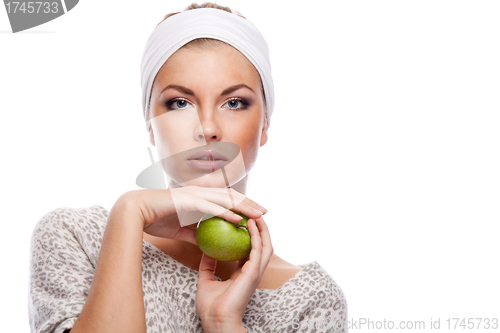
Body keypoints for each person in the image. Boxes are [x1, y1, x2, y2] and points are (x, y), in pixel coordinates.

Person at [28, 2, 348, 332]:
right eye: (180, 103)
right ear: (150, 124)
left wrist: (223, 323)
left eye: (234, 102)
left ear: (265, 123)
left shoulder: (312, 301)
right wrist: (129, 211)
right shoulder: (76, 237)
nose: (207, 128)